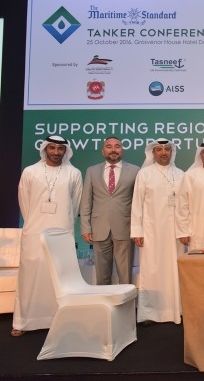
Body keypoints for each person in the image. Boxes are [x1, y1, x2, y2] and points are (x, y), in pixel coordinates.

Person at [12, 136, 82, 337]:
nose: (56, 152)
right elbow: (24, 202)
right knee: (30, 276)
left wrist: (63, 223)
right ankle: (23, 321)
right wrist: (35, 222)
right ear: (45, 149)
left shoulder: (74, 173)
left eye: (60, 149)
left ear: (65, 151)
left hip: (62, 232)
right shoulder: (30, 172)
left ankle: (59, 320)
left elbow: (75, 204)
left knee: (59, 275)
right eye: (52, 148)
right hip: (34, 232)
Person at [131, 138, 185, 326]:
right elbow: (137, 204)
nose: (163, 153)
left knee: (173, 270)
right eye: (159, 149)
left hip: (175, 233)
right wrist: (137, 231)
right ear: (153, 153)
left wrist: (185, 230)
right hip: (151, 231)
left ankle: (175, 310)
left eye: (167, 149)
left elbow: (185, 205)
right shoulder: (144, 174)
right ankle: (150, 312)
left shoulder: (180, 174)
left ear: (172, 152)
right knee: (152, 270)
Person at [80, 136, 140, 285]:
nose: (113, 150)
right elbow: (86, 201)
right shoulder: (91, 171)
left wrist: (137, 228)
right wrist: (85, 227)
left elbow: (138, 203)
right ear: (103, 151)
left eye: (117, 146)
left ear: (122, 150)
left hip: (125, 228)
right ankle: (104, 300)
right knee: (102, 276)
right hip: (99, 228)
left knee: (125, 276)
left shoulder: (135, 171)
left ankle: (126, 301)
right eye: (109, 146)